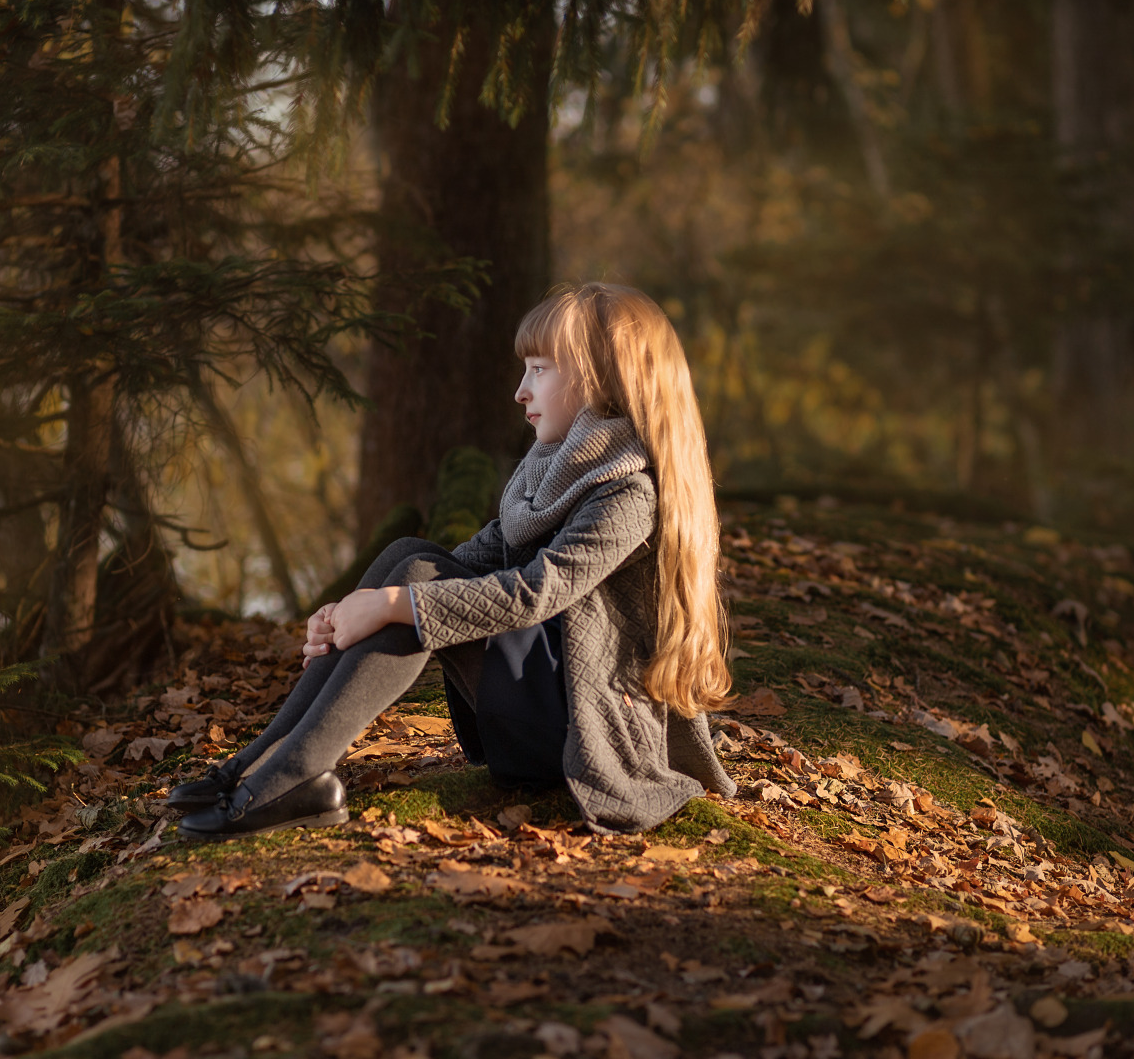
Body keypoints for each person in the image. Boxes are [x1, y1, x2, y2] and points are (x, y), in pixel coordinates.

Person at [169, 282, 737, 840]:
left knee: (413, 581)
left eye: (540, 369)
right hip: (547, 701)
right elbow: (467, 558)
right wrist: (352, 608)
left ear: (604, 379)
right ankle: (259, 763)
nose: (520, 390)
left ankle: (294, 778)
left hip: (588, 732)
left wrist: (393, 603)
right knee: (408, 554)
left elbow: (537, 591)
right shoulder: (556, 471)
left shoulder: (628, 493)